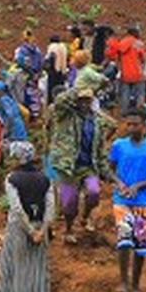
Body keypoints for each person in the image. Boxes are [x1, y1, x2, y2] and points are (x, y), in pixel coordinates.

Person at [110, 108, 146, 292]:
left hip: (144, 200)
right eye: (128, 124)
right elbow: (111, 170)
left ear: (144, 126)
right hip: (122, 199)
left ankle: (135, 284)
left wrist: (139, 186)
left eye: (135, 124)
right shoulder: (118, 146)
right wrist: (121, 184)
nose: (131, 127)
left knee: (142, 246)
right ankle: (123, 281)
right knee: (124, 241)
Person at [0, 142, 53, 292]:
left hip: (18, 228)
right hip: (40, 228)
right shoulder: (45, 179)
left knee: (10, 268)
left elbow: (16, 209)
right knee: (36, 269)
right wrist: (41, 231)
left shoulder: (12, 179)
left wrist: (29, 230)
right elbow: (51, 207)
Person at [48, 88, 107, 243]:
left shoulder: (96, 121)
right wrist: (78, 88)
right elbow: (60, 101)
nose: (84, 104)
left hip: (88, 165)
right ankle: (68, 229)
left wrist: (104, 168)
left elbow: (100, 146)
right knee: (69, 202)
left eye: (88, 100)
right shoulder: (66, 116)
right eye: (81, 100)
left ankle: (85, 216)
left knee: (94, 193)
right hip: (69, 166)